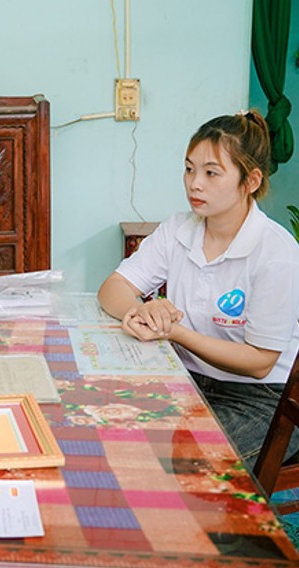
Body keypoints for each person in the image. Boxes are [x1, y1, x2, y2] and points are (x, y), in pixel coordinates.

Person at [98, 110, 299, 471]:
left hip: (262, 398)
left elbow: (259, 362)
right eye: (189, 169)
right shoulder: (178, 229)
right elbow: (112, 289)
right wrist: (142, 310)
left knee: (177, 462)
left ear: (251, 180)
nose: (195, 184)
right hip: (187, 379)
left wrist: (176, 332)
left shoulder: (276, 253)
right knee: (110, 430)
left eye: (211, 173)